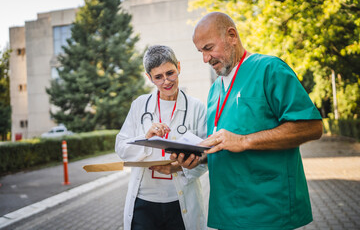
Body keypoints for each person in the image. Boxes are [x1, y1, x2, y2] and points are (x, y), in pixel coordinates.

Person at [174, 12, 323, 230]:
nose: (205, 59)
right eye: (200, 52)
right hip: (226, 212)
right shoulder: (215, 89)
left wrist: (244, 141)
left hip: (268, 210)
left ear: (232, 35)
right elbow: (224, 144)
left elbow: (312, 127)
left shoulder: (270, 69)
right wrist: (198, 157)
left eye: (208, 48)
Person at [115, 45, 208, 230]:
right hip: (144, 204)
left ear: (179, 67)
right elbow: (121, 148)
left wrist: (179, 168)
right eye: (158, 77)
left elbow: (206, 157)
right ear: (149, 77)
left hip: (180, 204)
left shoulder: (197, 107)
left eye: (170, 73)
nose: (166, 81)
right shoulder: (140, 105)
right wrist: (145, 138)